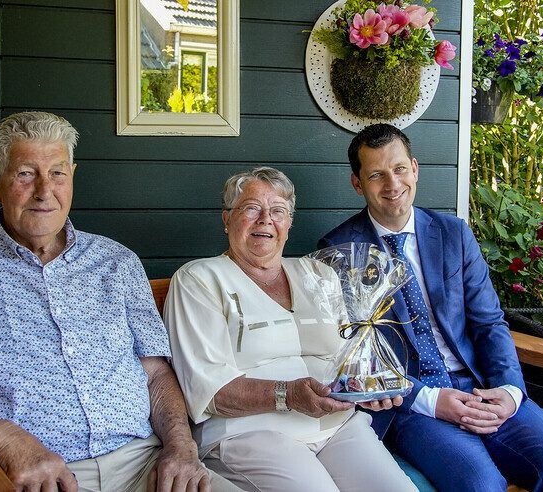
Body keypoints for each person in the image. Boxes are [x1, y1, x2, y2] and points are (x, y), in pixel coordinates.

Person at [0, 111, 239, 492]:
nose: (45, 191)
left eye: (58, 173)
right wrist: (6, 439)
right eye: (26, 173)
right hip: (28, 473)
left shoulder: (116, 262)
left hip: (144, 462)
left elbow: (156, 374)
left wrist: (180, 445)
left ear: (72, 176)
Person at [318, 123, 543, 491]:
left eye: (398, 169)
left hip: (480, 385)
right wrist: (430, 399)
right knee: (480, 484)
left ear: (415, 168)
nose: (392, 184)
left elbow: (490, 323)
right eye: (376, 175)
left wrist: (508, 390)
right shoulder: (340, 251)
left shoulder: (453, 233)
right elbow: (355, 353)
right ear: (358, 184)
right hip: (413, 402)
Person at [163, 166, 417, 491]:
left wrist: (369, 388)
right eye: (251, 208)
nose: (265, 219)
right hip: (250, 432)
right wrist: (289, 396)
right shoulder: (201, 279)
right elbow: (208, 389)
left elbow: (349, 355)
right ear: (227, 219)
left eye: (278, 211)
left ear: (289, 224)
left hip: (337, 426)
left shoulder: (318, 274)